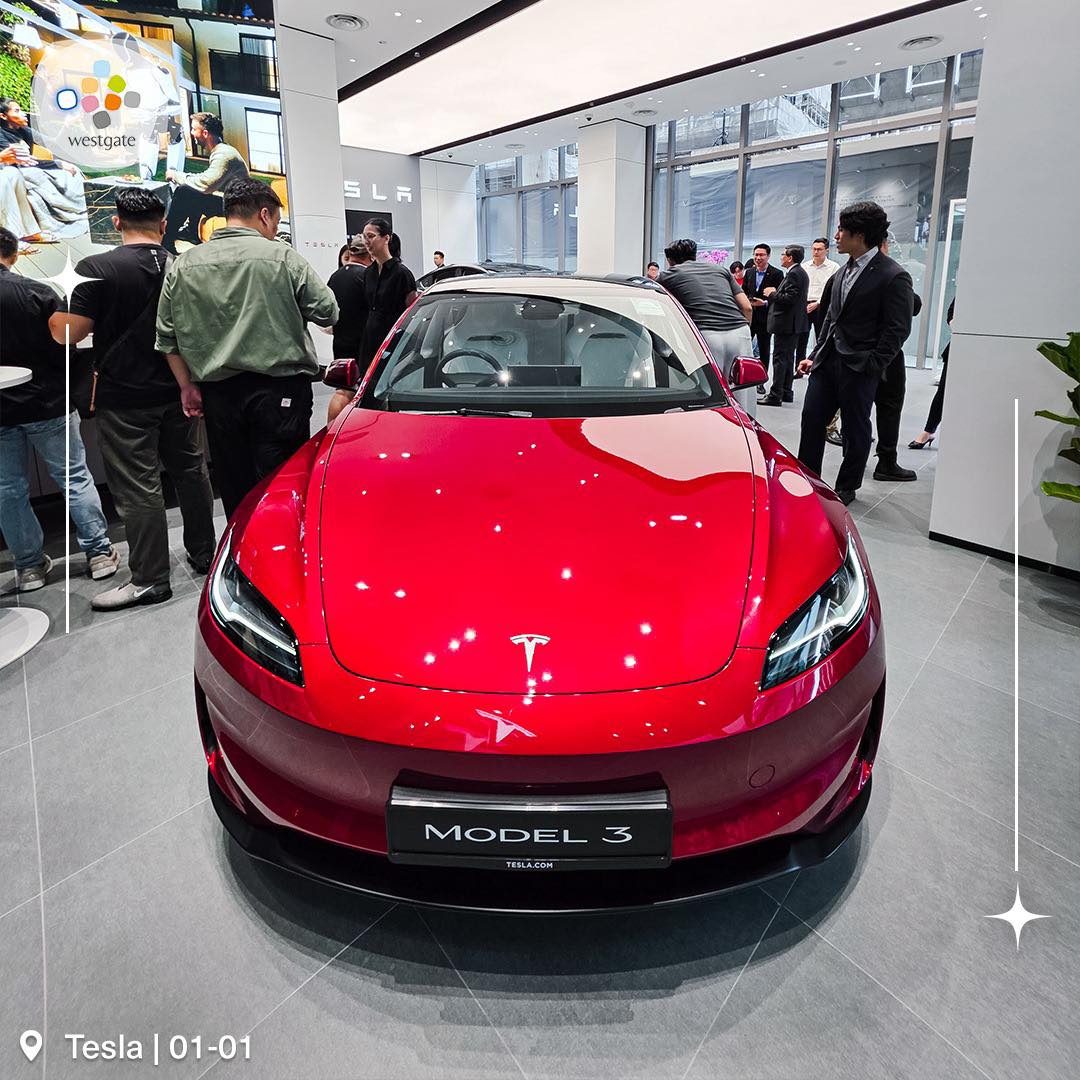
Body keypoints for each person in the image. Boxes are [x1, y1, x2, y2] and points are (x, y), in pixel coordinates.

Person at [50, 189, 216, 611]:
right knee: (192, 473)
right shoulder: (183, 265)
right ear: (163, 226)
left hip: (124, 397)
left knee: (139, 488)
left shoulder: (96, 267)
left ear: (116, 223)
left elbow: (68, 333)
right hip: (184, 389)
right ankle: (206, 556)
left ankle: (149, 579)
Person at [156, 178, 338, 519]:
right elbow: (328, 311)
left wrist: (186, 387)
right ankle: (280, 561)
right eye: (276, 223)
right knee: (282, 483)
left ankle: (240, 557)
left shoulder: (184, 264)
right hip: (279, 393)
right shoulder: (282, 257)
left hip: (219, 394)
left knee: (234, 482)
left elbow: (167, 337)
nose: (274, 230)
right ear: (265, 215)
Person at [0, 227, 119, 591]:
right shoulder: (37, 292)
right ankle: (98, 554)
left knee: (8, 489)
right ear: (16, 254)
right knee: (74, 478)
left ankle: (29, 567)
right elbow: (65, 345)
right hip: (47, 402)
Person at [796, 201, 914, 505]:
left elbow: (897, 329)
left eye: (841, 230)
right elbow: (831, 319)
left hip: (860, 366)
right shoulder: (841, 272)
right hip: (827, 361)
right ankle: (809, 481)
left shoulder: (893, 275)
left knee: (855, 426)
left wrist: (873, 364)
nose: (836, 236)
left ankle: (847, 486)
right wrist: (816, 353)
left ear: (858, 234)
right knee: (811, 419)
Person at [660, 238, 755, 413]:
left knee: (710, 394)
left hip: (706, 334)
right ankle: (745, 432)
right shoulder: (720, 270)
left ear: (670, 260)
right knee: (743, 391)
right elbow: (747, 307)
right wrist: (744, 329)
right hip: (740, 331)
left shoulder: (668, 275)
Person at [162, 113, 249, 254]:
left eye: (193, 129)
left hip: (236, 206)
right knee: (191, 190)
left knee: (185, 191)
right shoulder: (222, 151)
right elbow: (206, 179)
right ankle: (190, 232)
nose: (191, 133)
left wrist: (176, 176)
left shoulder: (224, 154)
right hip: (231, 201)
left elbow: (206, 184)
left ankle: (167, 237)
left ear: (205, 133)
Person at [0, 99, 87, 239]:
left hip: (30, 165)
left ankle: (82, 211)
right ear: (3, 116)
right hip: (16, 169)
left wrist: (66, 125)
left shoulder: (24, 130)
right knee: (34, 174)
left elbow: (50, 143)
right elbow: (20, 163)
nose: (23, 114)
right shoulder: (1, 134)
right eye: (16, 111)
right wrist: (57, 164)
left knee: (72, 172)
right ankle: (53, 222)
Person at [760, 245, 810, 407]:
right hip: (792, 324)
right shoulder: (799, 272)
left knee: (780, 359)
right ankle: (786, 391)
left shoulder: (795, 274)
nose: (781, 257)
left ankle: (775, 395)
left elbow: (789, 299)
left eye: (783, 254)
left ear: (790, 258)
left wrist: (772, 294)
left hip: (786, 324)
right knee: (788, 359)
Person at [910, 297, 954, 449]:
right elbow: (951, 313)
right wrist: (953, 322)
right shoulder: (969, 288)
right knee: (943, 392)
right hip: (958, 348)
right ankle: (928, 431)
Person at [742, 244, 783, 378]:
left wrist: (764, 303)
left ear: (768, 256)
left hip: (766, 317)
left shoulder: (777, 274)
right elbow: (743, 291)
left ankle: (762, 379)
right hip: (750, 316)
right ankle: (745, 375)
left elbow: (779, 297)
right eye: (756, 255)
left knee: (764, 350)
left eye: (761, 255)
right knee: (745, 347)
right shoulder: (749, 272)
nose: (758, 258)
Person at [327, 236, 369, 362]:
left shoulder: (335, 277)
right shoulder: (367, 276)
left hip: (340, 346)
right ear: (369, 253)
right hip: (363, 347)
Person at [799, 238, 840, 364]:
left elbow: (833, 289)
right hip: (805, 305)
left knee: (821, 338)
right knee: (801, 339)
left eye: (819, 249)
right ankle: (799, 366)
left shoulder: (834, 267)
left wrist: (817, 303)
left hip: (822, 305)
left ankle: (818, 365)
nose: (816, 252)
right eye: (814, 249)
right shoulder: (804, 266)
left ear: (826, 251)